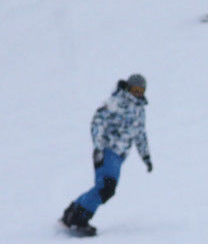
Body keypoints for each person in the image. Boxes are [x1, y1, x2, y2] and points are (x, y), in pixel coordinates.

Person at [60, 74, 152, 235]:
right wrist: (99, 147)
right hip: (107, 150)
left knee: (104, 187)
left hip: (119, 156)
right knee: (106, 187)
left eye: (140, 90)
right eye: (134, 89)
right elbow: (97, 122)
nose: (137, 93)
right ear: (128, 88)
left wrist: (146, 157)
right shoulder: (116, 102)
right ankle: (79, 218)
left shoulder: (139, 110)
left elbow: (140, 135)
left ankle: (73, 211)